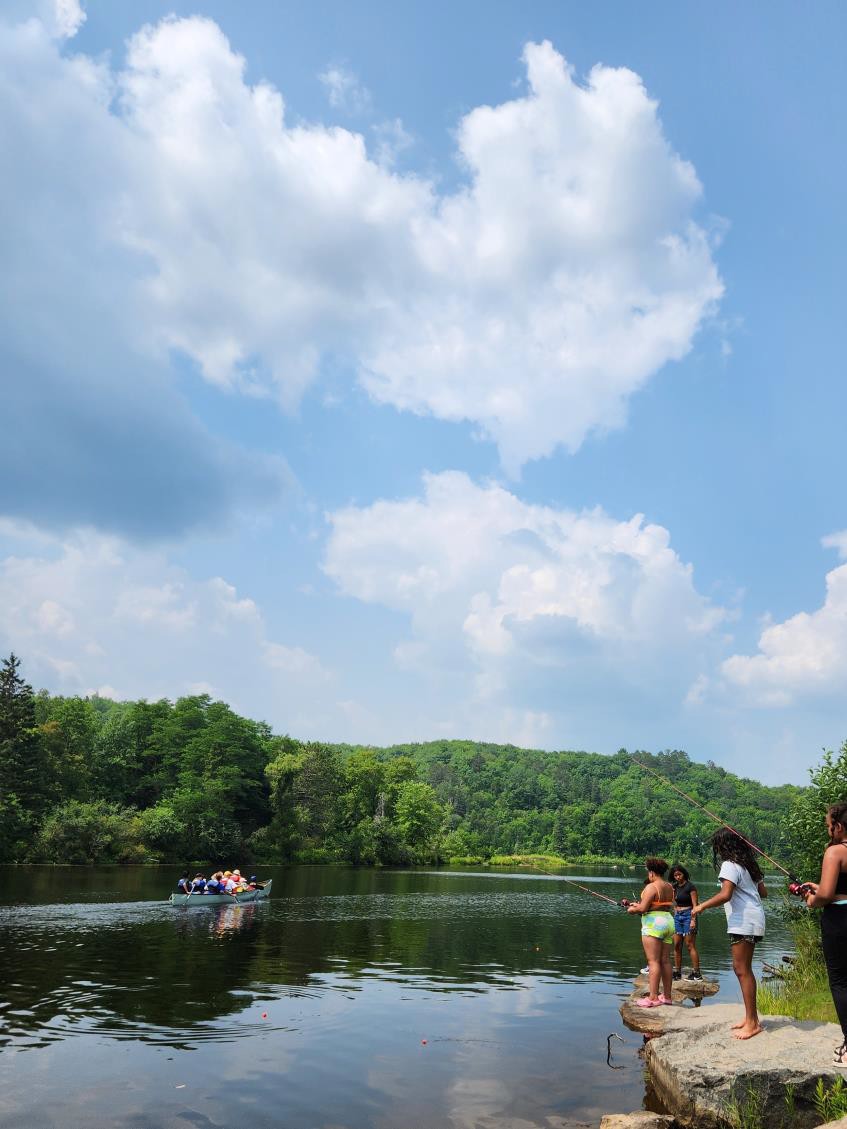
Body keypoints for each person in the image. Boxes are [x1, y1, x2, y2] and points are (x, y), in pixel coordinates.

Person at [691, 828, 767, 1040]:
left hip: (743, 921)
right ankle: (750, 1017)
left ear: (723, 847)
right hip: (755, 919)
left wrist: (701, 907)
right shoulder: (749, 866)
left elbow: (725, 895)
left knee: (742, 969)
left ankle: (752, 1023)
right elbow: (764, 893)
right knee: (742, 968)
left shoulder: (729, 865)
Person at [801, 801, 847, 1066]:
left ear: (838, 827)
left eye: (829, 826)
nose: (828, 831)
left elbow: (826, 897)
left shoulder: (835, 852)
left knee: (841, 982)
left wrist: (810, 897)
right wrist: (821, 887)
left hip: (839, 920)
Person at [626, 857, 676, 1007]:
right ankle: (666, 996)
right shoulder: (669, 886)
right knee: (665, 960)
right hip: (668, 921)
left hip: (654, 924)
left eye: (648, 872)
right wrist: (639, 905)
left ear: (652, 872)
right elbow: (662, 905)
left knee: (653, 962)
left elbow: (642, 909)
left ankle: (653, 997)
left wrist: (632, 909)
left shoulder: (651, 887)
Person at [670, 864, 702, 981]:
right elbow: (673, 902)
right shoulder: (674, 887)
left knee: (689, 945)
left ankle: (696, 973)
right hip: (678, 916)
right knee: (677, 945)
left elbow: (695, 905)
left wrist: (693, 920)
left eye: (679, 874)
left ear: (684, 874)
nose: (678, 877)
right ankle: (677, 971)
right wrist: (675, 910)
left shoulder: (690, 887)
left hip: (689, 915)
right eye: (675, 875)